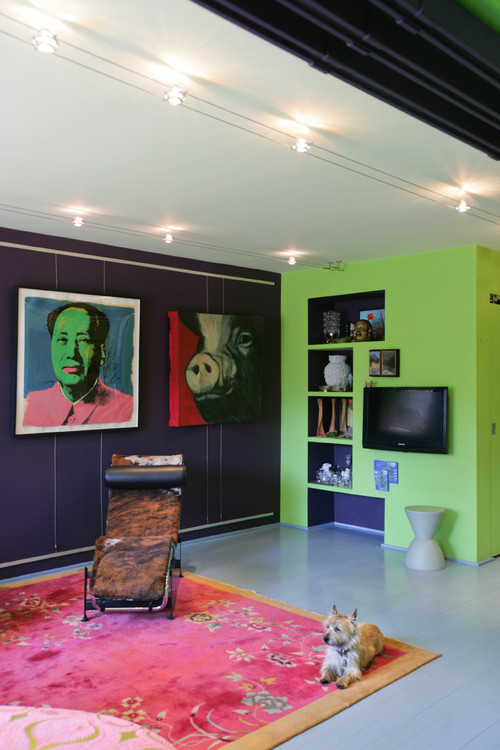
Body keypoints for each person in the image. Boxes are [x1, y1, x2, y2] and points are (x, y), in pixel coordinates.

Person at [23, 302, 133, 427]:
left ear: (102, 353)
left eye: (83, 340)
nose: (71, 353)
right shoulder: (29, 406)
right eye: (62, 339)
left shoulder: (128, 409)